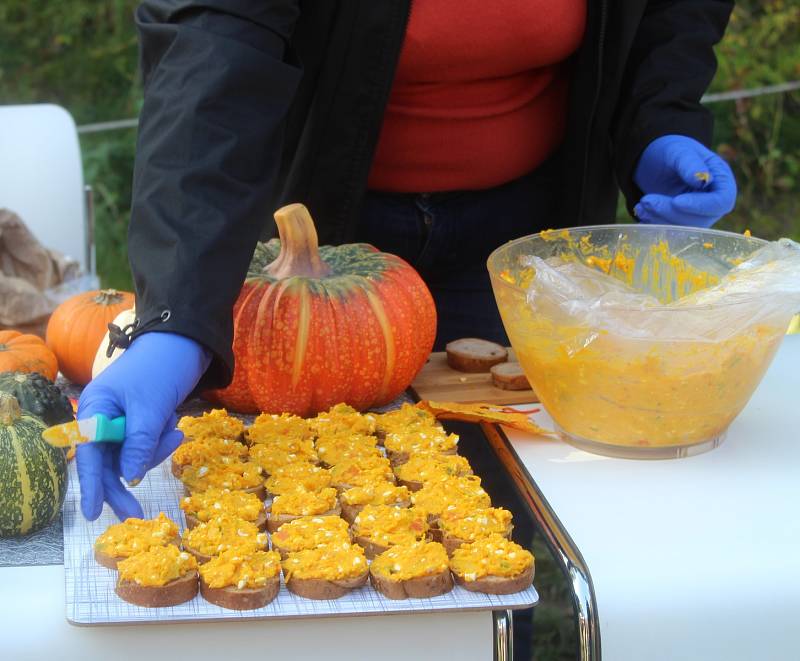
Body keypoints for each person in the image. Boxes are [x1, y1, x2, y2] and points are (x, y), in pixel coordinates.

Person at [78, 0, 737, 519]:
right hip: (321, 243)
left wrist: (659, 116)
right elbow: (213, 46)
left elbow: (669, 13)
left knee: (505, 515)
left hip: (523, 233)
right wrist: (177, 314)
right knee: (307, 503)